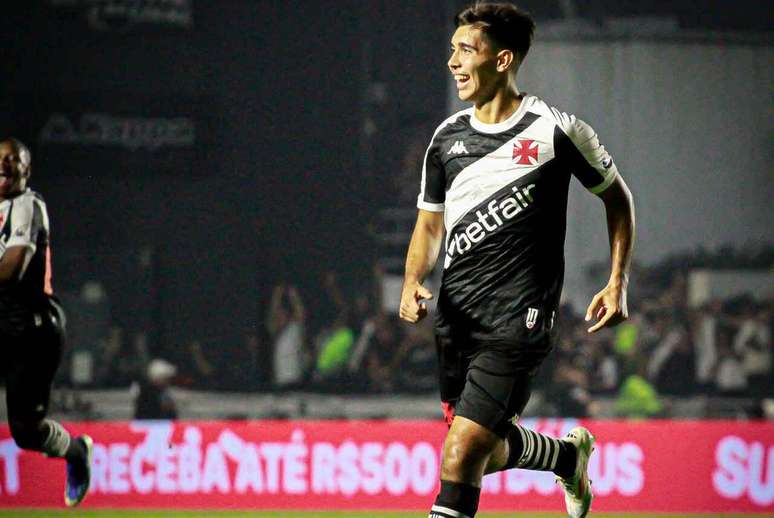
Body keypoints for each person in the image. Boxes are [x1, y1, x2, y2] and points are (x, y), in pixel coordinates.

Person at [398, 4, 635, 518]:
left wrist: (617, 281)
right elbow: (430, 224)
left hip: (519, 321)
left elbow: (618, 199)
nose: (453, 62)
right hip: (456, 320)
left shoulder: (557, 131)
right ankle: (567, 457)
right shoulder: (445, 140)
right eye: (452, 49)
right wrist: (413, 278)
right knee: (479, 453)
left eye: (466, 50)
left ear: (503, 59)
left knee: (460, 454)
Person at [0, 138, 92, 506]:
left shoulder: (28, 206)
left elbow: (14, 266)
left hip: (33, 328)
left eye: (13, 160)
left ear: (27, 169)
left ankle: (75, 452)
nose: (4, 165)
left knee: (26, 432)